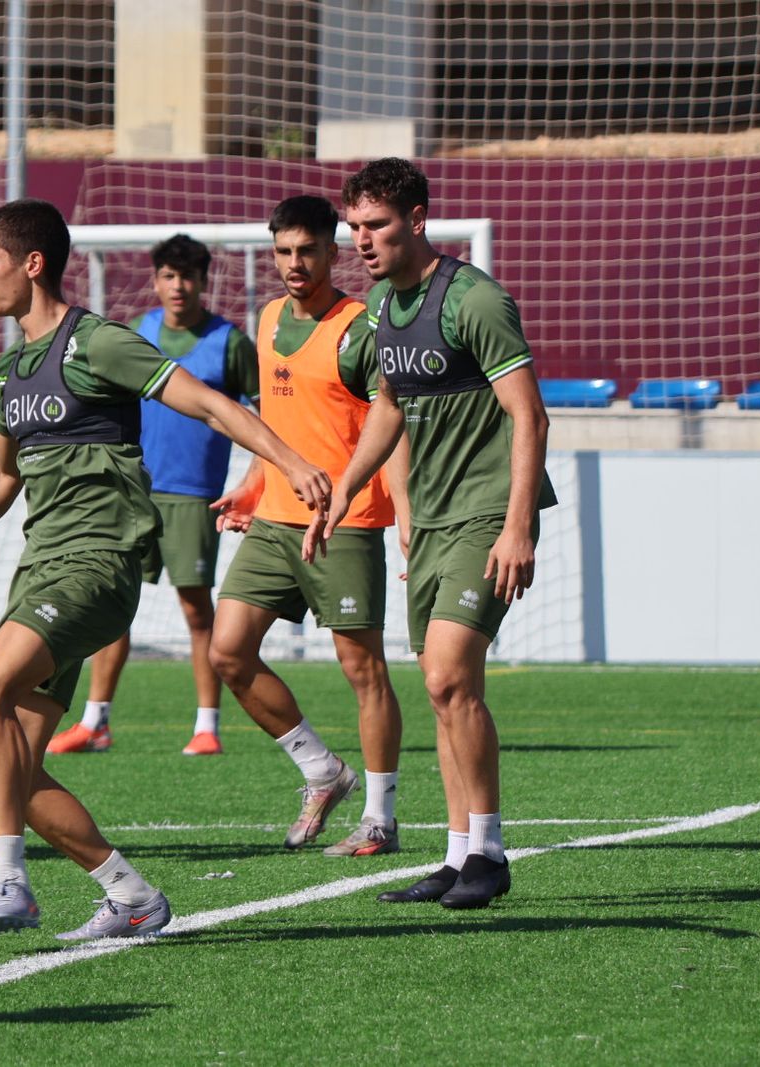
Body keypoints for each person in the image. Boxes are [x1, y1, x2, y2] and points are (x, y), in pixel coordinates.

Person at [0, 199, 332, 939]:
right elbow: (0, 476)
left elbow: (207, 403)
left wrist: (291, 462)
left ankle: (10, 879)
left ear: (32, 263)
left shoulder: (98, 344)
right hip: (39, 570)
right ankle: (128, 892)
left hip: (99, 564)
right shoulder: (11, 369)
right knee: (15, 762)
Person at [312, 158, 555, 909]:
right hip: (436, 520)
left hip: (487, 514)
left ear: (417, 219)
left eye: (376, 225)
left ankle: (491, 849)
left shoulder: (474, 299)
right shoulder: (384, 307)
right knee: (444, 688)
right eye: (354, 227)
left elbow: (530, 414)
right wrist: (347, 487)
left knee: (449, 673)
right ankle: (458, 856)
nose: (361, 241)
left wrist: (518, 527)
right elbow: (389, 404)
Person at [206, 195, 409, 858]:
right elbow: (277, 424)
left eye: (309, 250)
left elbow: (393, 423)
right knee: (227, 651)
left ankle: (379, 818)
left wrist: (406, 516)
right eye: (285, 251)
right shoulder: (266, 319)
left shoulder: (359, 328)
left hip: (344, 523)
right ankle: (322, 771)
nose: (296, 263)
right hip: (273, 518)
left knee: (362, 668)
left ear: (333, 251)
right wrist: (253, 480)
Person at [47, 234, 257, 757]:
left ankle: (207, 726)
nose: (177, 286)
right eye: (168, 275)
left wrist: (257, 478)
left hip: (194, 498)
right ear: (155, 280)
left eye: (188, 276)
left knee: (196, 611)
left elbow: (263, 414)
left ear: (205, 282)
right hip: (132, 491)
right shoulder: (136, 333)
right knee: (110, 607)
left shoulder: (230, 342)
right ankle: (95, 722)